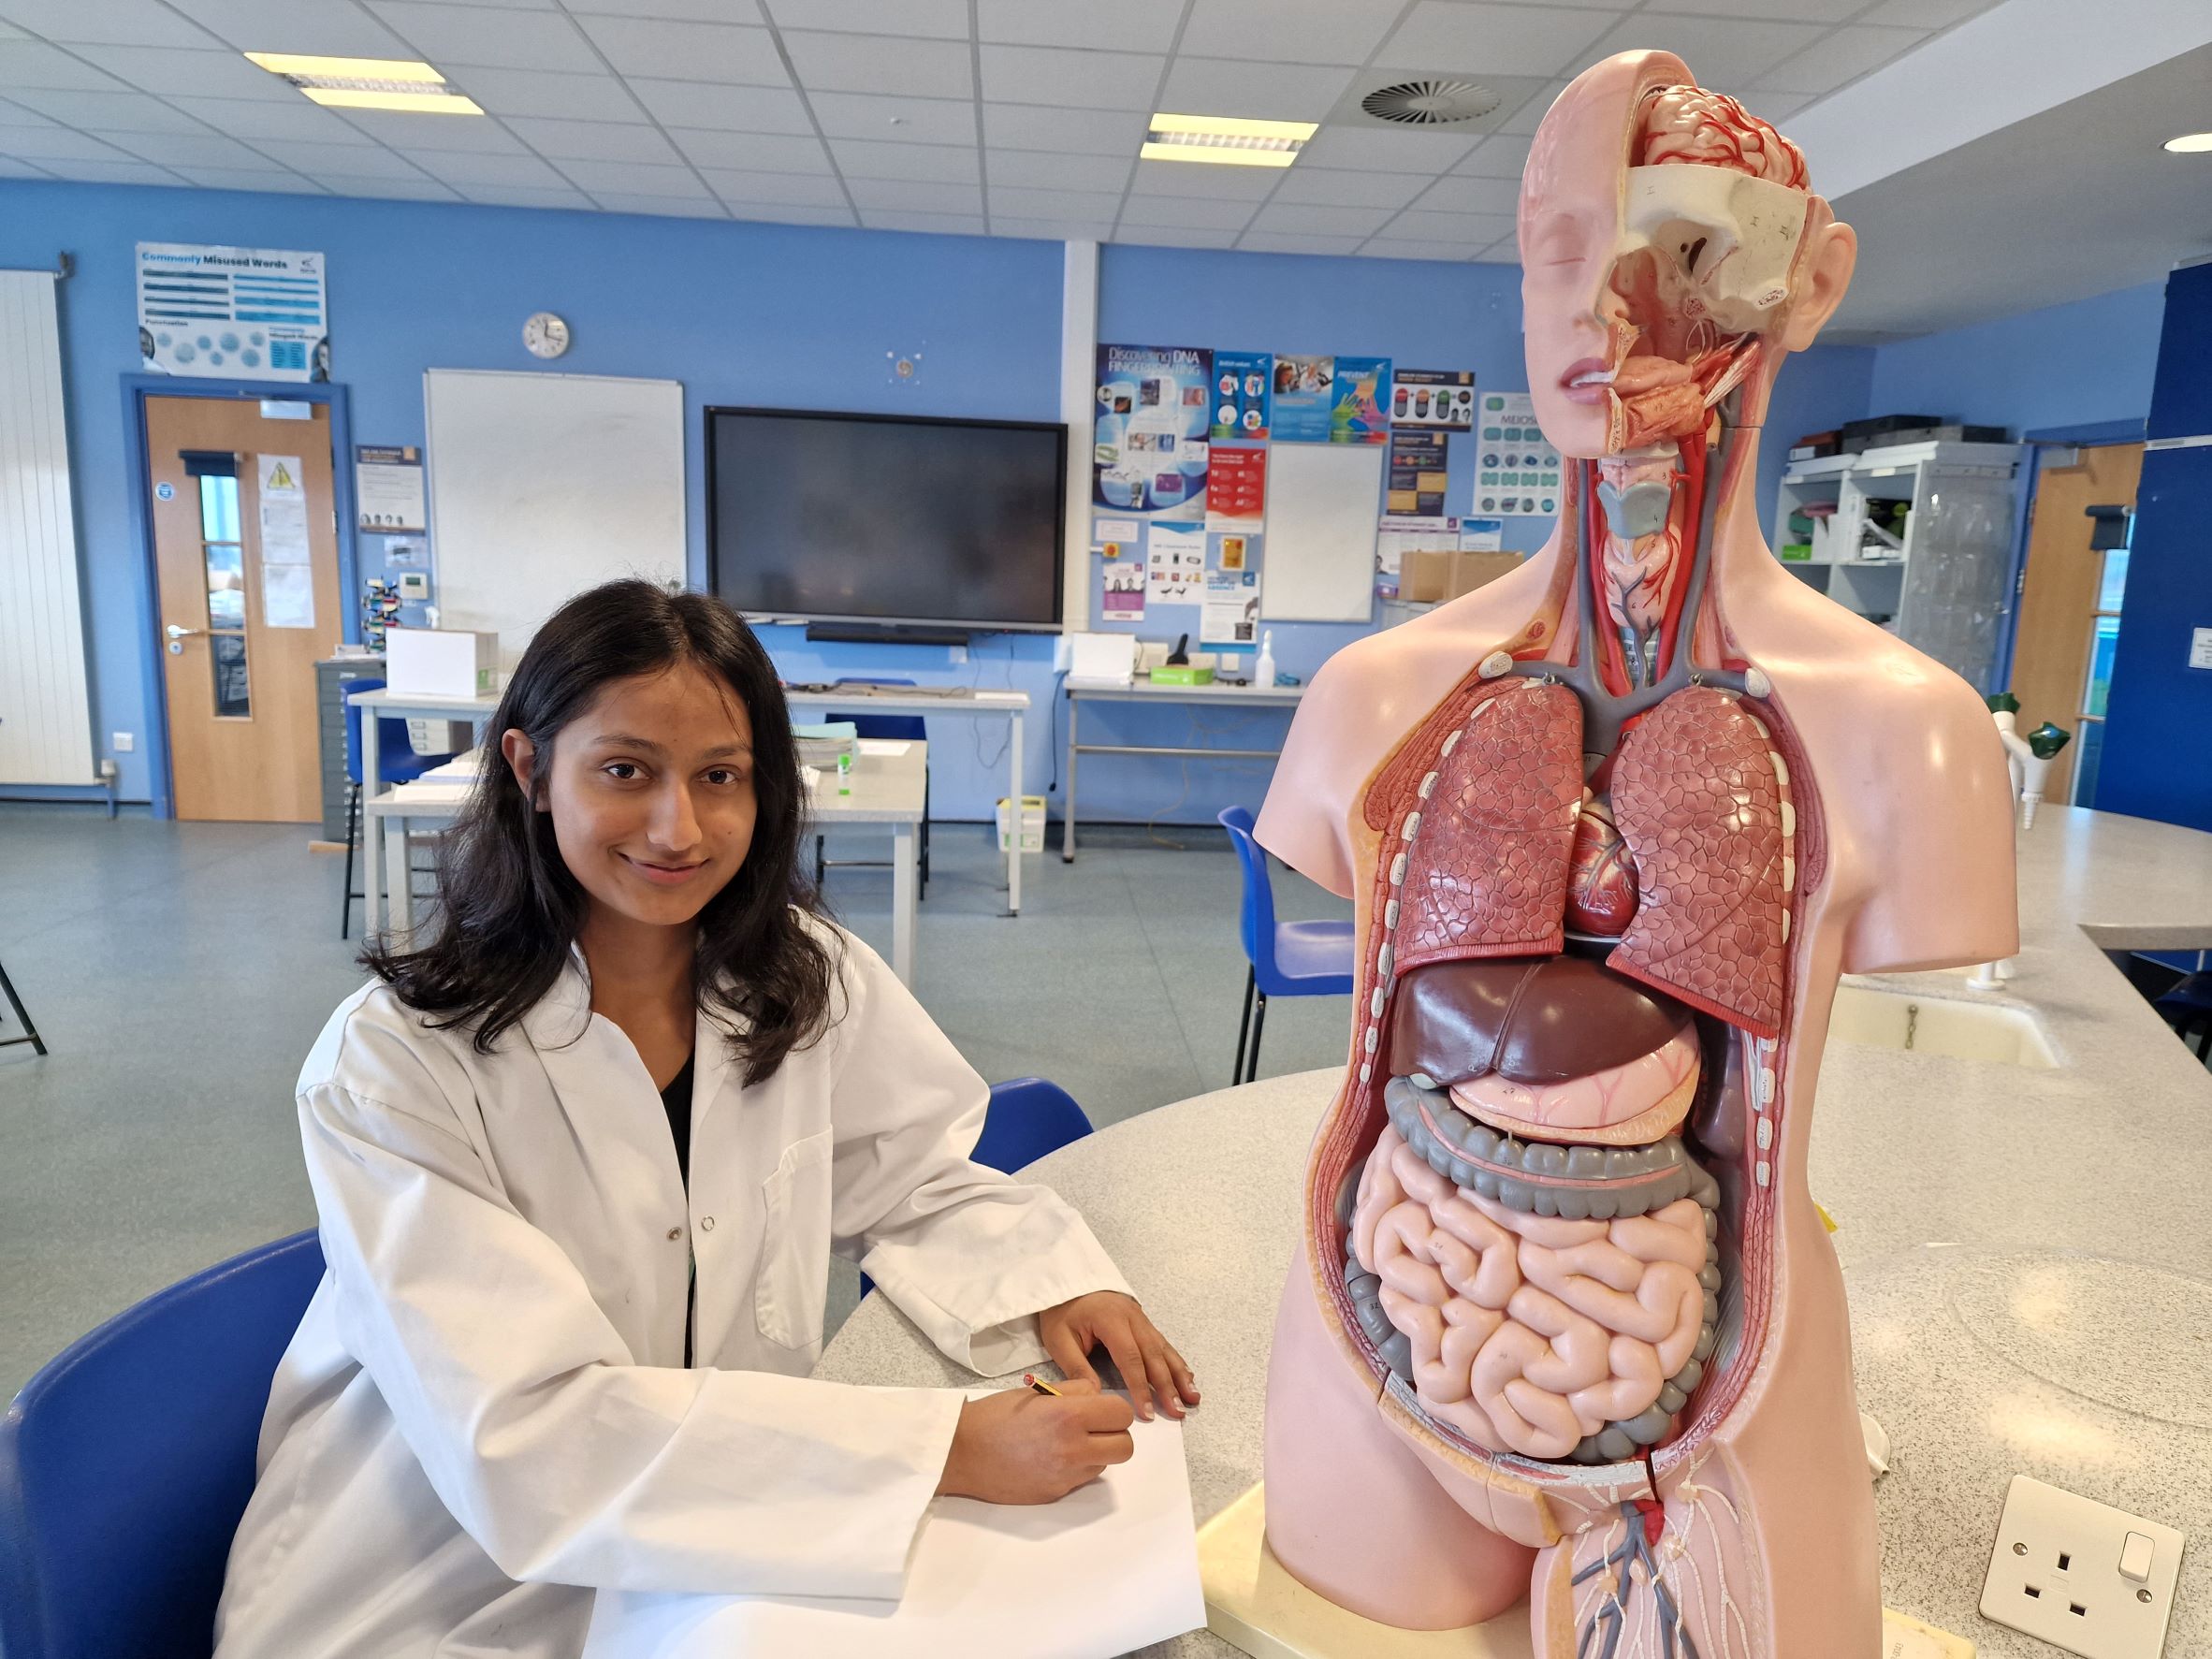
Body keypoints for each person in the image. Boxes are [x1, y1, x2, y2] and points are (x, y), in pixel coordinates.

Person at [215, 579, 1198, 1658]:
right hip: (437, 1581)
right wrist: (942, 1452)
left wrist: (1050, 1280)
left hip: (725, 1543)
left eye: (720, 777)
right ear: (531, 770)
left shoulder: (800, 975)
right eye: (626, 770)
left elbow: (912, 1174)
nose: (678, 828)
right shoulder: (395, 1063)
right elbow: (528, 1442)